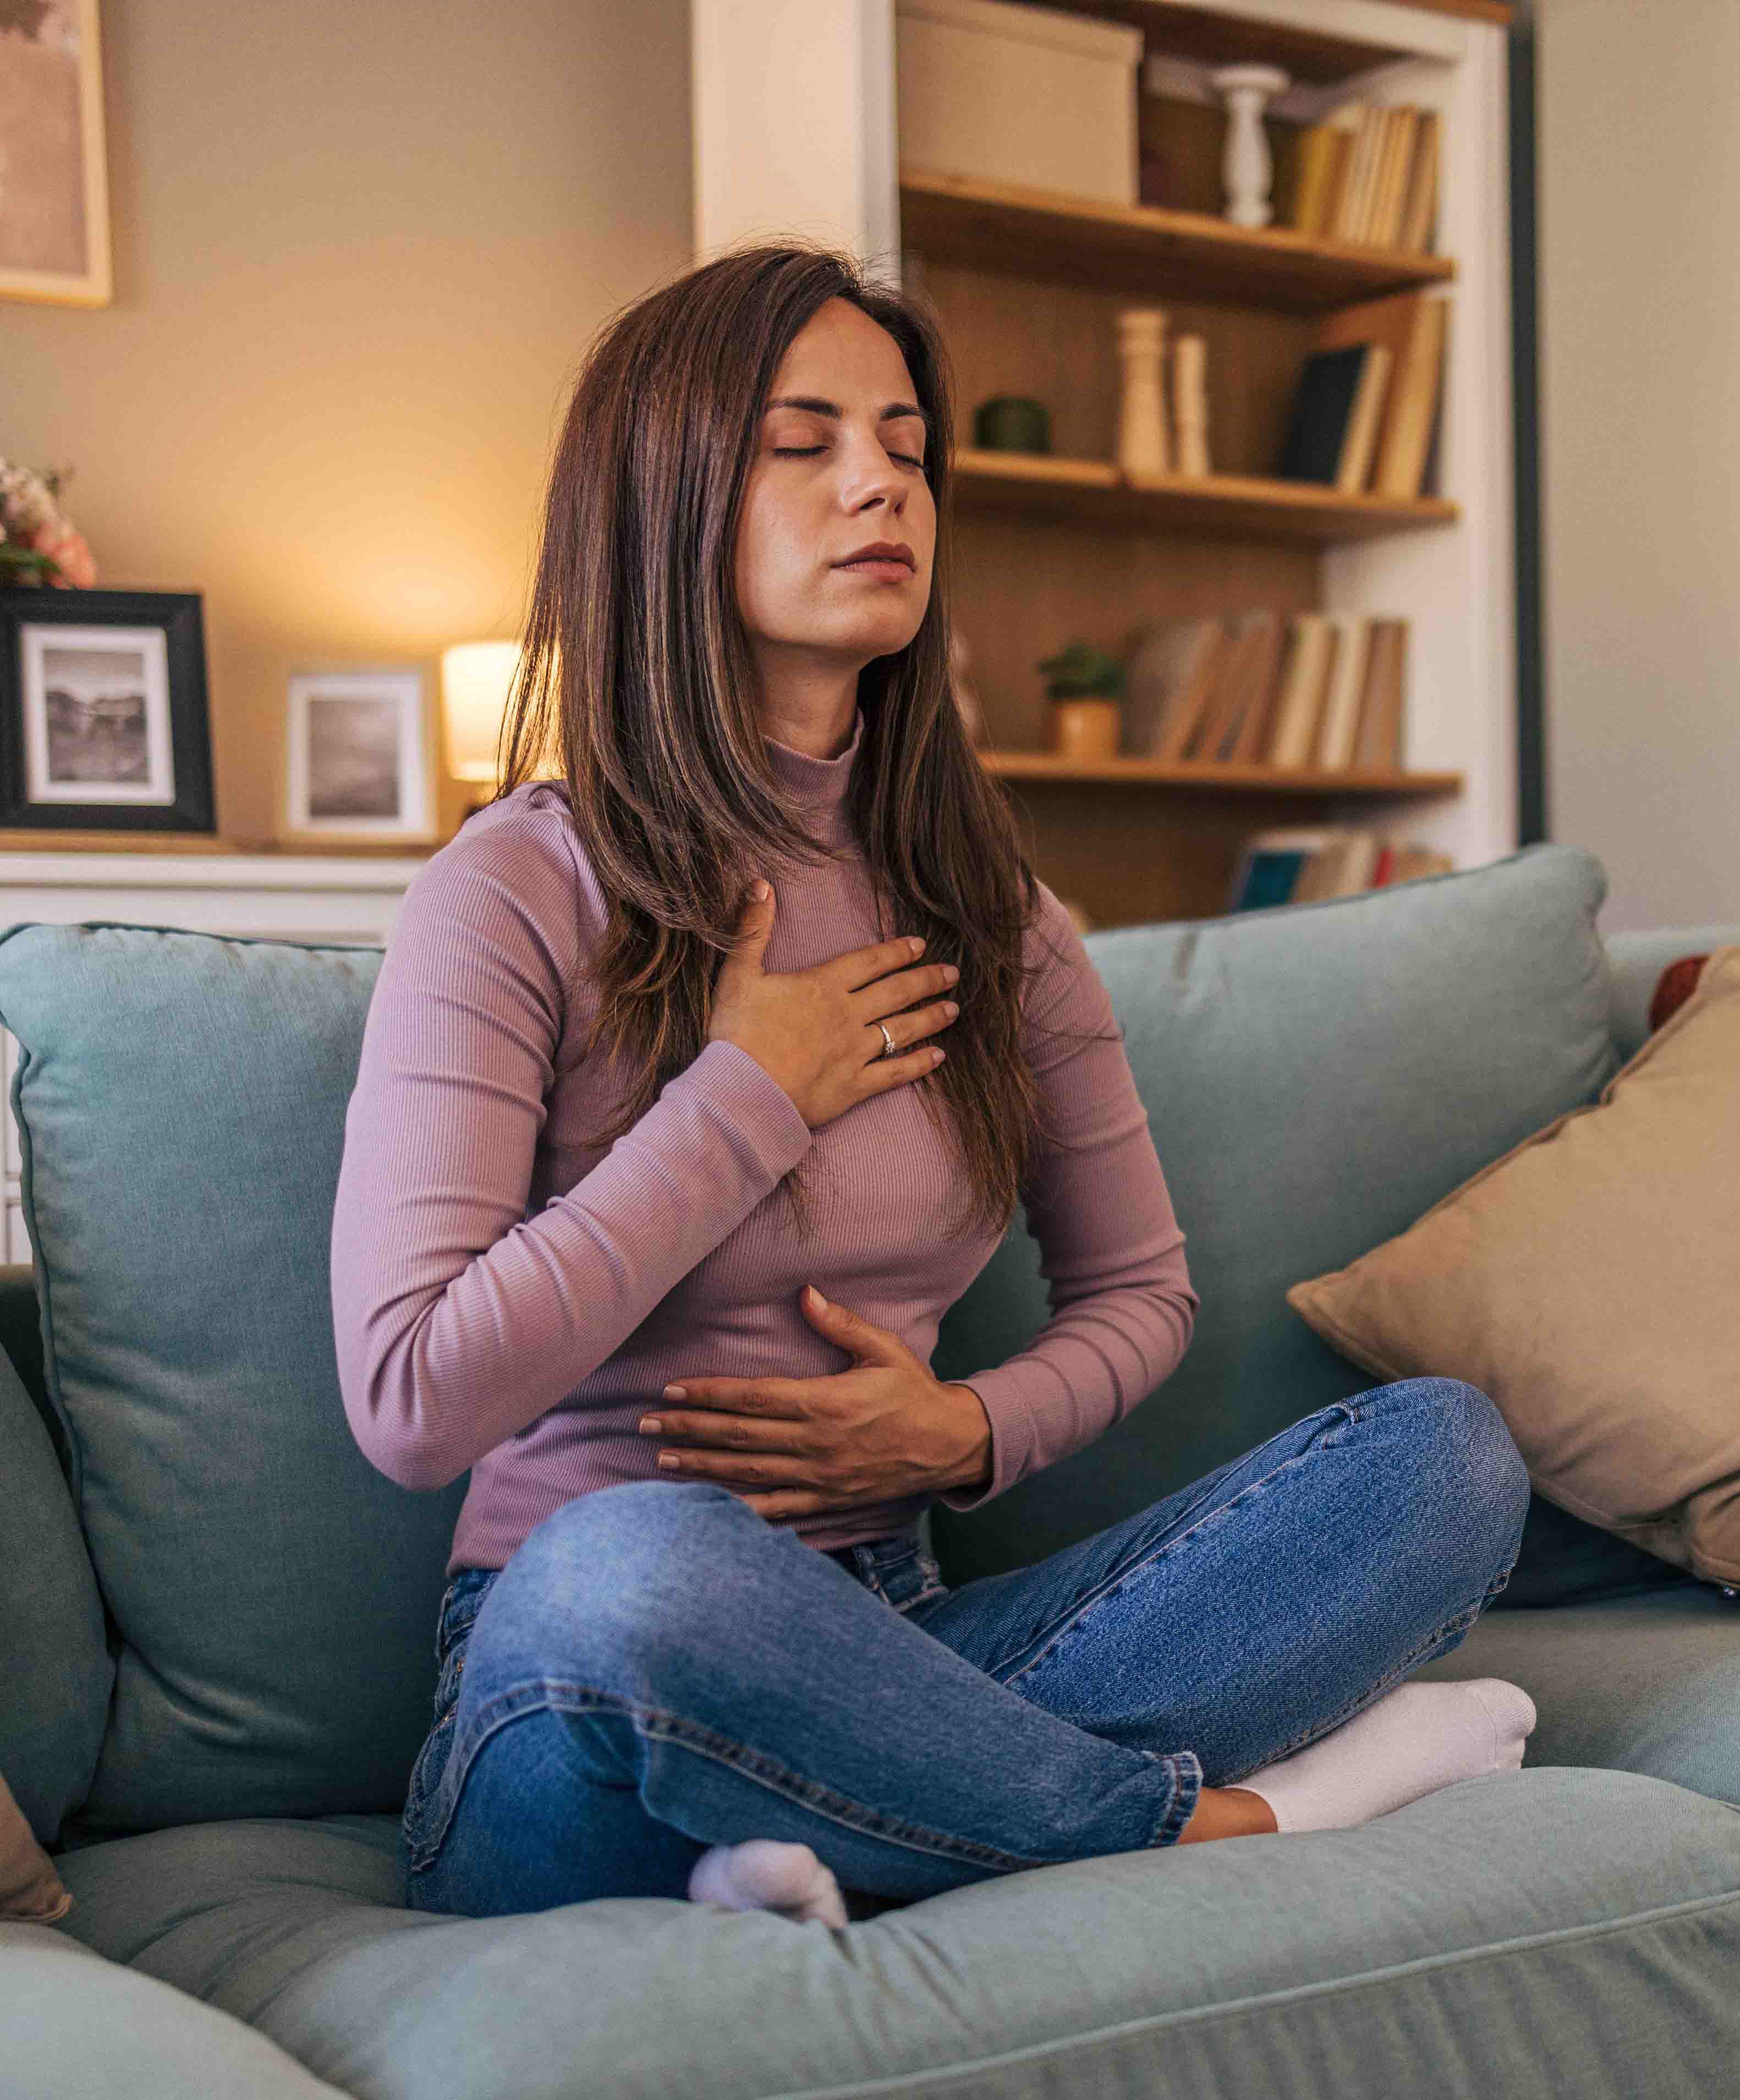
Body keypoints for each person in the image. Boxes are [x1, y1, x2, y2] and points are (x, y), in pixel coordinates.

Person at [330, 244, 1536, 1928]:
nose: (878, 483)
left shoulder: (995, 916)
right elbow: (410, 1400)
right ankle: (1209, 1825)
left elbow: (1140, 1292)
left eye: (904, 445)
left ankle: (855, 1834)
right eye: (803, 441)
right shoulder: (518, 889)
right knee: (638, 1559)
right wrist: (747, 1091)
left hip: (908, 1629)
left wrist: (967, 1429)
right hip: (580, 1673)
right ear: (662, 490)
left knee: (1447, 1458)